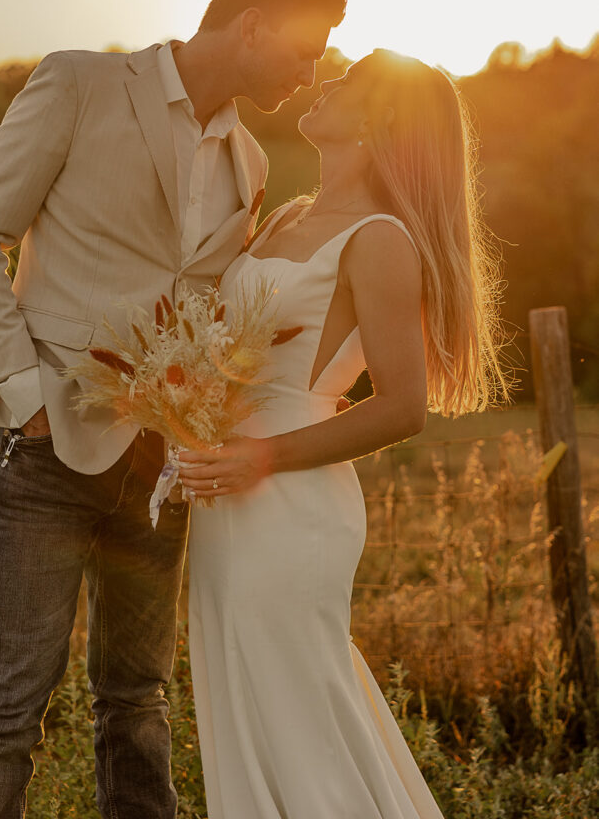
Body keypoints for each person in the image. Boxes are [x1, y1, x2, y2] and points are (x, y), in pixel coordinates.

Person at [0, 0, 346, 819]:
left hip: (161, 468)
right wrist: (22, 394)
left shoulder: (251, 160)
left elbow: (208, 307)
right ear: (251, 24)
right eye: (305, 51)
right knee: (5, 710)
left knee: (139, 706)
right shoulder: (79, 84)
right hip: (45, 451)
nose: (310, 76)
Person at [179, 49, 510, 818]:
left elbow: (402, 407)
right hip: (227, 494)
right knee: (249, 704)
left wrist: (261, 457)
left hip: (290, 501)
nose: (324, 82)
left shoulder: (380, 238)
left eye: (347, 82)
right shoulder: (289, 214)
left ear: (379, 118)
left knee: (299, 714)